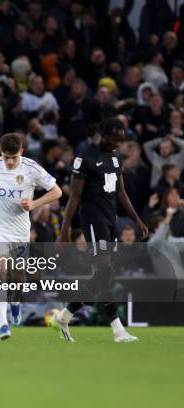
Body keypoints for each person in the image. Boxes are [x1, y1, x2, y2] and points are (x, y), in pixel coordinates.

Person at [53, 118, 149, 343]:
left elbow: (121, 192)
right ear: (102, 135)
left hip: (110, 220)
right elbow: (74, 197)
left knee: (104, 275)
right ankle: (118, 330)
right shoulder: (85, 157)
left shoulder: (115, 157)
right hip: (93, 220)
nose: (117, 143)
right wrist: (64, 230)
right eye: (114, 139)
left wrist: (137, 219)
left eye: (120, 139)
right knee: (104, 271)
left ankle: (65, 315)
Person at [0, 133, 62, 340]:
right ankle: (3, 324)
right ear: (1, 153)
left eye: (13, 157)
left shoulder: (32, 169)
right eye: (6, 157)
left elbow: (57, 192)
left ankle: (15, 303)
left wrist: (34, 204)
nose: (9, 161)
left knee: (18, 276)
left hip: (20, 231)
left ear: (21, 152)